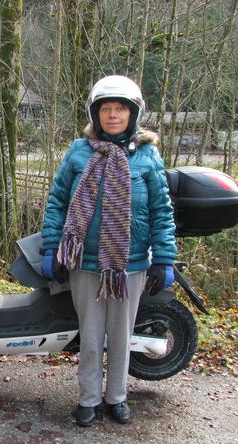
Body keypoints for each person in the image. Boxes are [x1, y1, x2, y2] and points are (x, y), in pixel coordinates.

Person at [40, 75, 177, 426]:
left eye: (120, 109)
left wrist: (164, 257)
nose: (113, 115)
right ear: (95, 113)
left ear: (132, 114)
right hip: (84, 263)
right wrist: (52, 245)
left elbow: (161, 209)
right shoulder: (78, 151)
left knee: (120, 337)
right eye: (106, 108)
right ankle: (88, 399)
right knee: (90, 336)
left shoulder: (148, 156)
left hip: (129, 266)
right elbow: (57, 201)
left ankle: (116, 397)